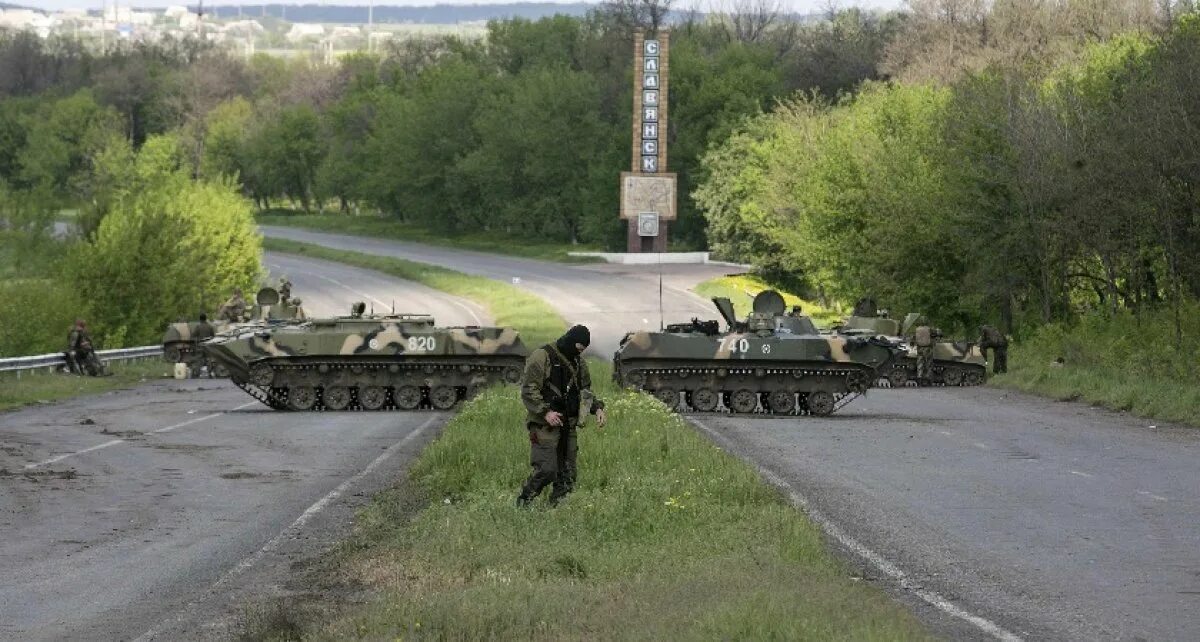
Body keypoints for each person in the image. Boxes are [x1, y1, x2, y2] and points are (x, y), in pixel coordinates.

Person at [516, 325, 607, 507]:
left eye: (582, 350)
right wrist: (545, 412)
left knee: (568, 473)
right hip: (545, 425)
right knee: (547, 469)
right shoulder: (542, 356)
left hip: (568, 426)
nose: (579, 353)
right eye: (578, 348)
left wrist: (597, 408)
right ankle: (524, 501)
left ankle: (556, 509)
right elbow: (528, 390)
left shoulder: (579, 363)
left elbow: (585, 391)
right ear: (571, 341)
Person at [189, 313, 217, 377]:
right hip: (208, 346)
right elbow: (213, 336)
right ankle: (209, 373)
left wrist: (196, 340)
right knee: (209, 359)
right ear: (206, 319)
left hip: (200, 346)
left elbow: (193, 336)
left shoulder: (198, 327)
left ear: (200, 319)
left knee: (198, 360)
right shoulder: (210, 327)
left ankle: (196, 373)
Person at [912, 317, 935, 383]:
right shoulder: (929, 329)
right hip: (928, 348)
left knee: (920, 362)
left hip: (919, 348)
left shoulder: (917, 329)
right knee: (929, 363)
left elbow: (913, 338)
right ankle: (928, 376)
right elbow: (934, 334)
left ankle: (919, 376)